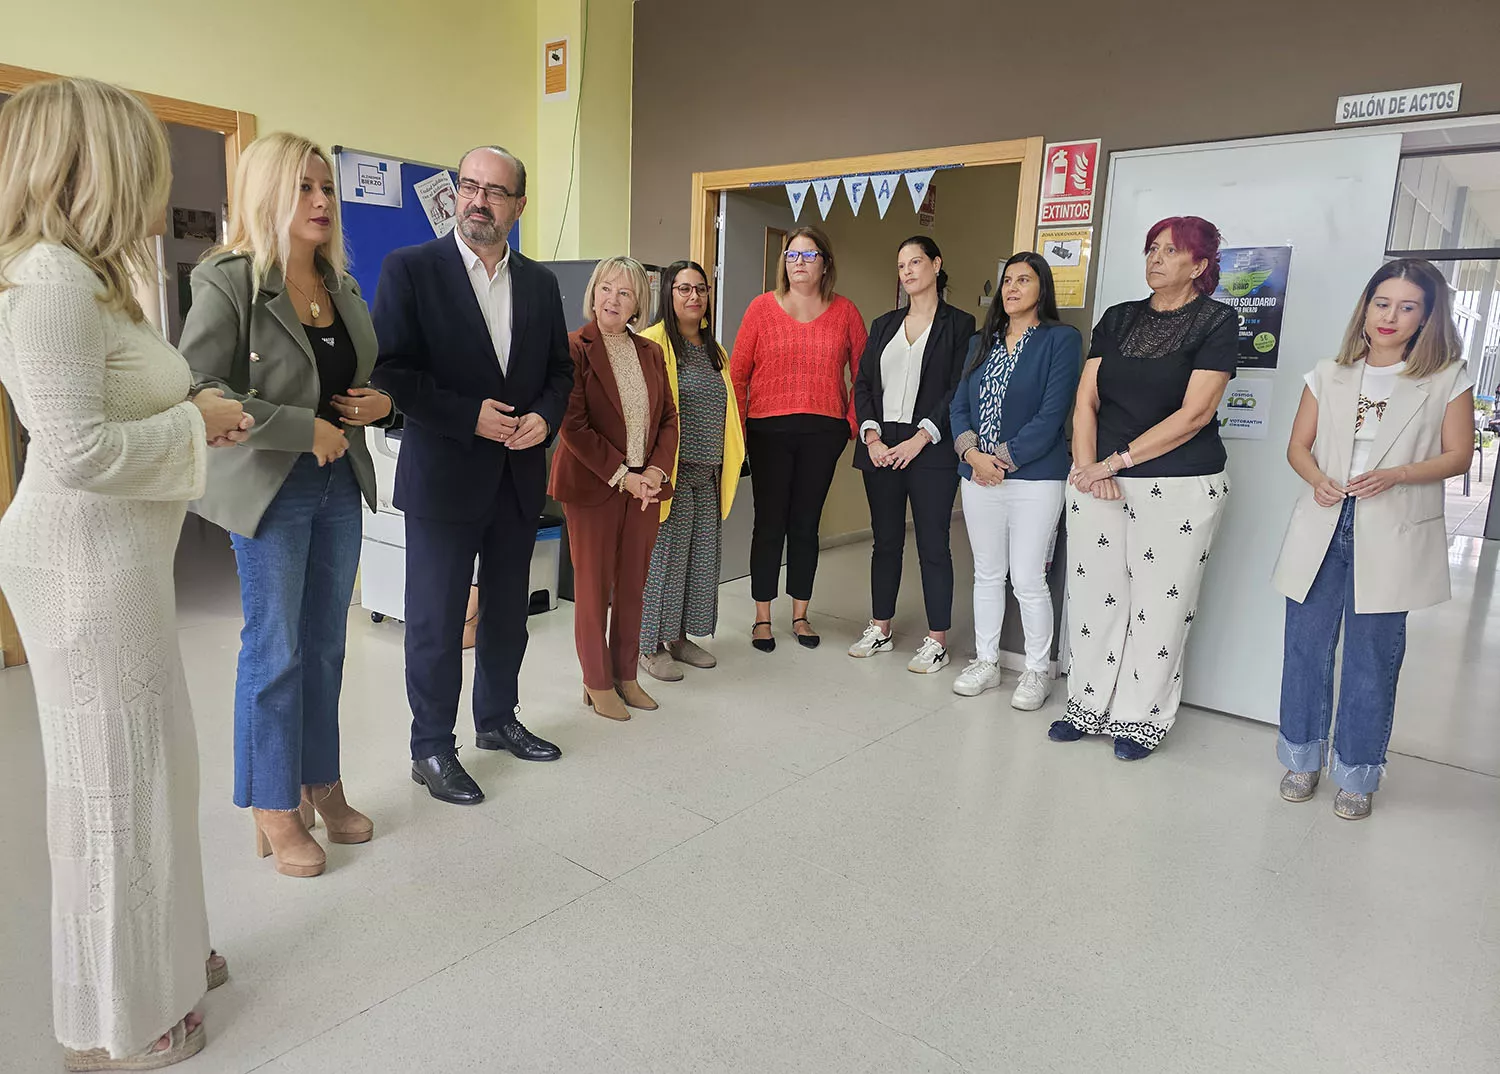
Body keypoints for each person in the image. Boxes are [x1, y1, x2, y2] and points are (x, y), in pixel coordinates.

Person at [0, 77, 250, 1070]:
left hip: (122, 563)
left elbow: (120, 411)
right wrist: (196, 421)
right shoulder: (47, 282)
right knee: (115, 787)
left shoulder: (94, 281)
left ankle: (169, 952)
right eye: (147, 164)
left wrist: (195, 413)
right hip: (80, 570)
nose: (161, 184)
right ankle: (126, 1013)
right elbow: (74, 452)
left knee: (156, 768)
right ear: (96, 167)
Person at [180, 132, 390, 876]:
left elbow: (363, 376)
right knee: (276, 649)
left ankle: (320, 782)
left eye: (326, 187)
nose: (322, 201)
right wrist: (303, 429)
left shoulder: (343, 286)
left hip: (340, 481)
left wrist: (380, 405)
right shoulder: (230, 279)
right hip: (273, 484)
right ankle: (273, 805)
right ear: (267, 194)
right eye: (303, 187)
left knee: (326, 645)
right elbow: (200, 388)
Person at [371, 145, 572, 805]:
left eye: (495, 191)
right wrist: (467, 417)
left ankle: (497, 719)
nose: (479, 200)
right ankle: (431, 747)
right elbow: (391, 370)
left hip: (517, 476)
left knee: (508, 614)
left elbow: (559, 372)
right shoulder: (410, 269)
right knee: (436, 622)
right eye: (469, 186)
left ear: (518, 205)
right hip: (444, 477)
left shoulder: (540, 284)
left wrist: (545, 417)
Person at [1272, 259, 1472, 820]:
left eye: (1407, 307)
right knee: (1305, 649)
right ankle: (1301, 759)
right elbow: (1298, 447)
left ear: (1426, 317)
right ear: (1366, 307)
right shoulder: (1328, 373)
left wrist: (1397, 475)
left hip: (1391, 525)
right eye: (1382, 303)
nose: (1390, 316)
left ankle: (1357, 772)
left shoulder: (1446, 377)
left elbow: (1458, 456)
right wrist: (1317, 479)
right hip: (1325, 519)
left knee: (1372, 657)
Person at [1053, 216, 1237, 760]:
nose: (1156, 258)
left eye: (1171, 251)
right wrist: (1088, 469)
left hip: (1178, 482)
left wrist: (1115, 463)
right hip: (1097, 479)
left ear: (1199, 265)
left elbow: (1195, 413)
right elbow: (1086, 399)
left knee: (1160, 605)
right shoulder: (1118, 317)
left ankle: (1141, 719)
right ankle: (1086, 705)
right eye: (1152, 248)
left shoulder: (1216, 322)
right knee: (1093, 597)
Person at [549, 257, 679, 719]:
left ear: (637, 304)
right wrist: (625, 475)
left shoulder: (650, 352)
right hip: (594, 485)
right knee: (593, 588)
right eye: (606, 288)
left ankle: (626, 675)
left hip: (645, 488)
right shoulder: (574, 347)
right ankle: (596, 681)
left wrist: (656, 472)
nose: (613, 299)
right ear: (593, 292)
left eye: (625, 293)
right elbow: (573, 425)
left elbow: (668, 417)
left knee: (632, 587)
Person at [949, 252, 1081, 707]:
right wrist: (972, 454)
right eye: (1007, 280)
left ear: (1042, 288)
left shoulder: (1060, 340)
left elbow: (1052, 414)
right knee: (987, 573)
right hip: (977, 476)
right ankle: (986, 662)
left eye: (1024, 280)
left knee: (1027, 577)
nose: (1012, 288)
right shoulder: (979, 343)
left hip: (1036, 479)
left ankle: (1036, 670)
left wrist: (999, 460)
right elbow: (958, 406)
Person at [730, 225, 867, 651]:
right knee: (769, 524)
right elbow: (737, 375)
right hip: (767, 431)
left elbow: (865, 375)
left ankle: (801, 615)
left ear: (826, 264)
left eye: (809, 255)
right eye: (792, 255)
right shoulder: (760, 309)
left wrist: (850, 423)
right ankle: (762, 617)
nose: (799, 263)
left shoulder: (845, 312)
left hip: (823, 433)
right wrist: (738, 433)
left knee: (806, 525)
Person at [847, 236, 973, 673]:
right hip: (881, 445)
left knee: (933, 543)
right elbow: (863, 383)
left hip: (931, 446)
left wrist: (921, 438)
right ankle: (880, 627)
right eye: (901, 265)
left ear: (936, 264)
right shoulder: (884, 324)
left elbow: (958, 387)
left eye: (916, 262)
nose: (908, 272)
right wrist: (871, 437)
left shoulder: (960, 325)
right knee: (885, 541)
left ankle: (937, 640)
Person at [636, 261, 744, 681]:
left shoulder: (716, 351)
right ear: (668, 293)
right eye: (684, 289)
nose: (694, 296)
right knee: (664, 563)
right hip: (670, 475)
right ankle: (647, 645)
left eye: (700, 289)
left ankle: (678, 638)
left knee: (698, 562)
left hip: (708, 474)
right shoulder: (652, 343)